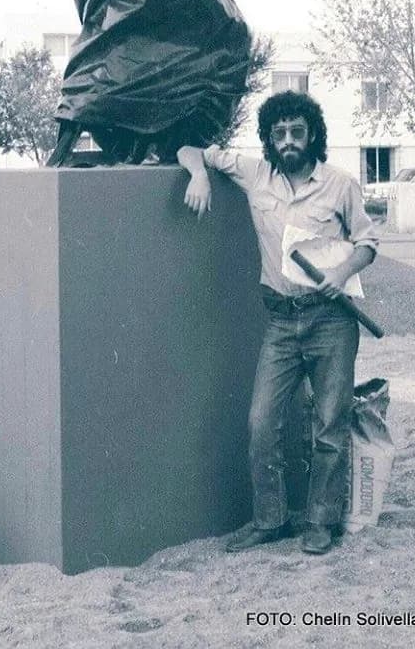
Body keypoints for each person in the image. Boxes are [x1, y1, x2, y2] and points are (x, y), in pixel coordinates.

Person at [177, 90, 379, 555]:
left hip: (332, 322)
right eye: (279, 133)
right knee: (261, 422)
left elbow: (368, 243)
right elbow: (189, 149)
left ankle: (321, 523)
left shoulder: (341, 184)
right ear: (269, 138)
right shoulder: (254, 173)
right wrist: (199, 176)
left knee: (329, 424)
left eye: (297, 131)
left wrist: (340, 272)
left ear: (313, 135)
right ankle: (270, 521)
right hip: (281, 324)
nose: (288, 140)